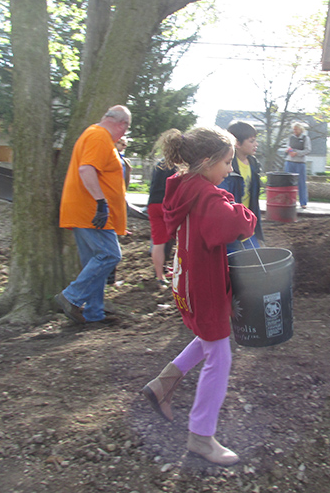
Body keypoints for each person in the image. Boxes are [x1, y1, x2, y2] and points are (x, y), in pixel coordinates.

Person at [141, 126, 257, 466]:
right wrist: (242, 212)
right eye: (226, 163)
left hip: (188, 279)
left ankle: (162, 385)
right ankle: (201, 437)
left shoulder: (184, 187)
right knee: (219, 356)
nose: (230, 170)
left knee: (209, 337)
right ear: (206, 161)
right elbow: (234, 226)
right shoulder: (207, 196)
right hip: (204, 284)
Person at [55, 105, 131, 326]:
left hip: (87, 212)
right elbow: (86, 169)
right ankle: (71, 296)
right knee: (110, 255)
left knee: (95, 262)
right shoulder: (99, 136)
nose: (123, 135)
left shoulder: (96, 135)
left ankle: (93, 314)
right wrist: (101, 203)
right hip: (93, 213)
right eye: (125, 129)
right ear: (121, 124)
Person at [218, 120, 265, 253]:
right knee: (232, 266)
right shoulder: (227, 166)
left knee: (256, 261)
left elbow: (254, 202)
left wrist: (257, 230)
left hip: (247, 226)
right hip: (231, 228)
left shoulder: (253, 164)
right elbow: (222, 199)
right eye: (251, 141)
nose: (256, 144)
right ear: (237, 143)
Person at [106, 136, 134, 286]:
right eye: (120, 143)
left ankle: (110, 278)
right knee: (110, 244)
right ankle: (109, 278)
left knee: (114, 240)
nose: (123, 146)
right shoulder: (110, 157)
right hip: (109, 204)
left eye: (125, 144)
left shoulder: (123, 161)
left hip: (119, 202)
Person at [147, 158, 176, 288]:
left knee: (158, 241)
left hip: (153, 203)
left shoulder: (160, 163)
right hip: (169, 205)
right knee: (178, 238)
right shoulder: (179, 164)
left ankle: (160, 276)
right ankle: (178, 272)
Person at [284, 121, 312, 209]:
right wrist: (289, 151)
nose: (295, 131)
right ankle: (288, 201)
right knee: (288, 182)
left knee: (301, 183)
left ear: (300, 129)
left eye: (296, 129)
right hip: (289, 161)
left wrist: (297, 153)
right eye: (293, 129)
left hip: (300, 163)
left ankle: (303, 202)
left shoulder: (305, 138)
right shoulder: (291, 138)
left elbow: (307, 150)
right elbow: (287, 146)